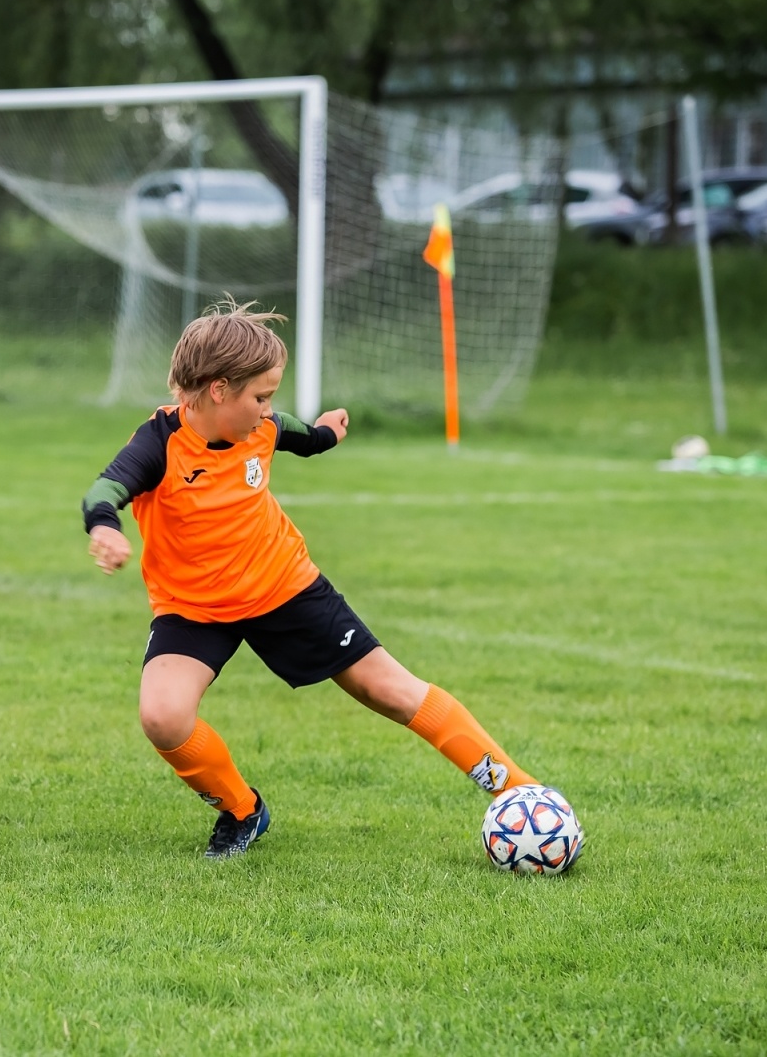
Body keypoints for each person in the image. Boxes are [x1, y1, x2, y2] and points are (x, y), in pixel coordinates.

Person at [83, 300, 539, 858]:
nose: (267, 409)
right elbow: (105, 488)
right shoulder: (159, 444)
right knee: (162, 716)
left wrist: (327, 433)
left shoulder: (261, 428)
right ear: (219, 389)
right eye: (261, 396)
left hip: (284, 586)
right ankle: (242, 810)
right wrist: (104, 527)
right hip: (194, 606)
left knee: (389, 690)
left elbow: (300, 435)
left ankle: (521, 793)